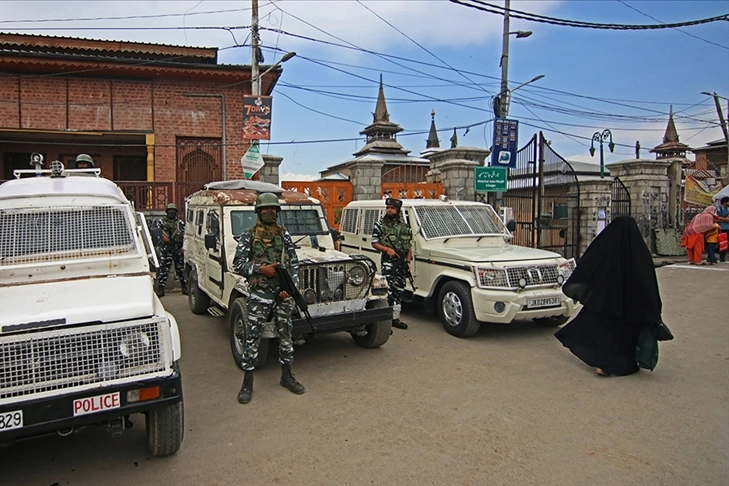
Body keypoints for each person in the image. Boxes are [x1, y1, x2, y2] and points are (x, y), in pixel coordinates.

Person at [555, 216, 664, 377]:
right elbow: (648, 281)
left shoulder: (606, 249)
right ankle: (624, 364)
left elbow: (588, 264)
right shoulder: (639, 253)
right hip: (630, 308)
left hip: (606, 303)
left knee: (605, 334)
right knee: (625, 335)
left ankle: (603, 365)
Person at [232, 192, 304, 404]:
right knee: (253, 335)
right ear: (258, 211)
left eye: (273, 208)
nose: (270, 211)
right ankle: (247, 382)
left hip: (282, 295)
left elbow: (294, 263)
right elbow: (237, 264)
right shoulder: (248, 235)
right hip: (260, 293)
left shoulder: (284, 234)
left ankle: (287, 376)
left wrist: (290, 289)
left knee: (286, 334)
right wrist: (261, 269)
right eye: (266, 208)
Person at [371, 197, 412, 330]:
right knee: (388, 290)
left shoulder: (404, 226)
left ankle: (395, 318)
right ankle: (386, 321)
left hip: (402, 262)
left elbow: (409, 246)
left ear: (397, 210)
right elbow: (374, 243)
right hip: (389, 262)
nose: (389, 210)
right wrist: (387, 250)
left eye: (392, 208)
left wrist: (408, 261)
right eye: (388, 208)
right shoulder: (380, 225)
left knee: (399, 290)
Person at [154, 203, 188, 297]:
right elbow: (156, 234)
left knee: (181, 270)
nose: (171, 212)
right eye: (170, 211)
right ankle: (160, 289)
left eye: (173, 211)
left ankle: (184, 288)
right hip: (166, 249)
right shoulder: (161, 222)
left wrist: (183, 248)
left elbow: (186, 236)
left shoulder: (180, 223)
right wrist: (162, 238)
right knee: (163, 270)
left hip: (177, 248)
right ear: (167, 211)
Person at [715, 196, 729, 263]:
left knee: (725, 243)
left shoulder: (728, 209)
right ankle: (720, 256)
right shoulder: (717, 209)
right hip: (718, 228)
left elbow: (728, 219)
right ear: (725, 202)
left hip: (727, 228)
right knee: (718, 243)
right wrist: (724, 218)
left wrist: (720, 218)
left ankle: (723, 257)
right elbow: (715, 219)